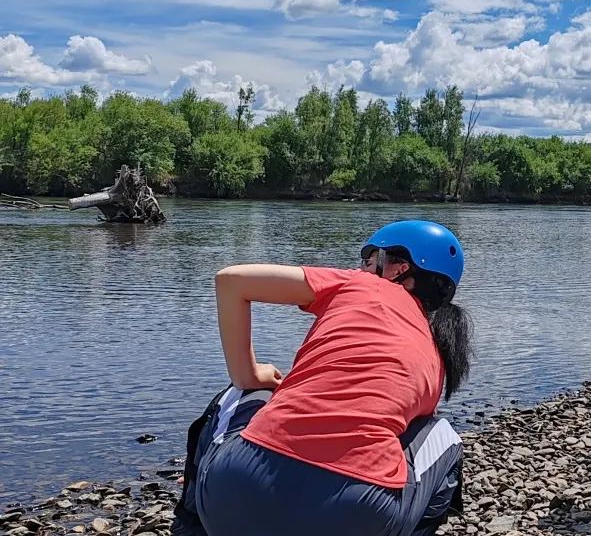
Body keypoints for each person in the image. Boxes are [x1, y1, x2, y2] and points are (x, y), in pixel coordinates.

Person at [173, 220, 473, 536]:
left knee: (239, 393)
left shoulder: (359, 283)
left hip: (232, 497)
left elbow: (231, 281)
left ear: (398, 268)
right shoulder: (436, 352)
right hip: (357, 515)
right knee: (442, 435)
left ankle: (189, 527)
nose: (361, 266)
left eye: (369, 259)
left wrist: (249, 375)